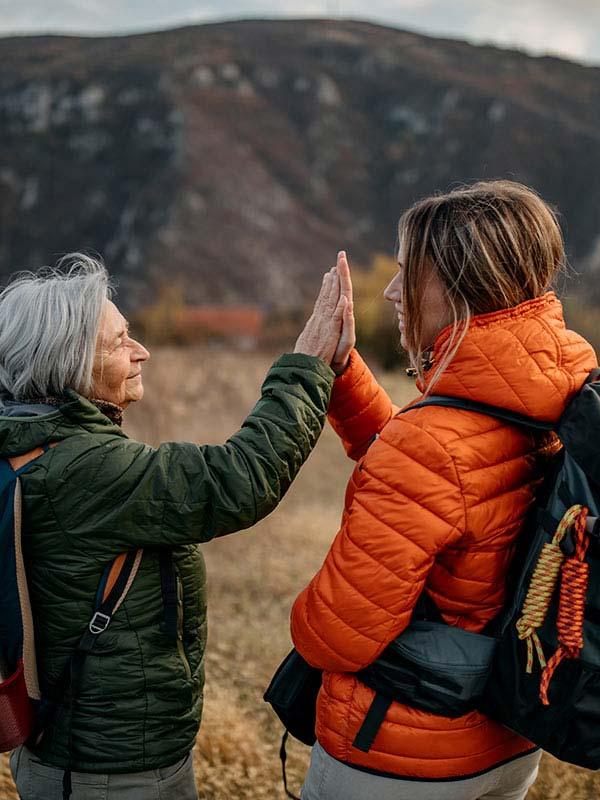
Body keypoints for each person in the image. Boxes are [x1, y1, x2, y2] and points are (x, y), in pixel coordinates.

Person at [3, 252, 351, 800]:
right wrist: (307, 365)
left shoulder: (34, 447)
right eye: (119, 341)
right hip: (106, 772)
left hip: (92, 754)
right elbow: (238, 479)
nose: (141, 351)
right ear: (67, 361)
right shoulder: (84, 468)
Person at [291, 180, 598, 800]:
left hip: (401, 759)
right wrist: (345, 375)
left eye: (408, 273)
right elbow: (450, 480)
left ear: (460, 286)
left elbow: (336, 635)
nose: (389, 291)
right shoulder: (561, 389)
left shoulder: (434, 443)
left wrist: (299, 621)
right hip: (505, 740)